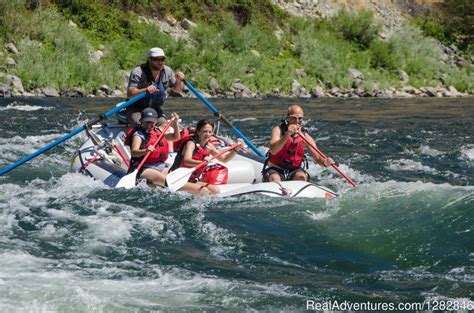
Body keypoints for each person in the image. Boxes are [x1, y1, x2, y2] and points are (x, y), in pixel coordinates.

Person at [262, 104, 335, 182]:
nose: (297, 121)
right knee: (275, 178)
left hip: (294, 170)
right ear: (287, 117)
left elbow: (317, 157)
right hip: (276, 169)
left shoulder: (305, 137)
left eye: (300, 118)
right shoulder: (278, 130)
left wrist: (325, 162)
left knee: (301, 177)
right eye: (294, 118)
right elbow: (273, 150)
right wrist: (287, 134)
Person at [170, 119, 244, 195]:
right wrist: (202, 162)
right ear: (198, 131)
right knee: (204, 190)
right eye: (205, 131)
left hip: (193, 180)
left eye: (210, 132)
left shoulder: (209, 146)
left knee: (215, 190)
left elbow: (224, 159)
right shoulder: (191, 143)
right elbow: (186, 160)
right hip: (178, 180)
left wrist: (236, 149)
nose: (207, 134)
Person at [126, 47, 185, 127]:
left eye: (162, 59)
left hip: (155, 109)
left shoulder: (168, 71)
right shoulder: (138, 72)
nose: (159, 62)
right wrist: (145, 90)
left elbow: (176, 90)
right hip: (136, 108)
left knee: (164, 127)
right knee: (142, 126)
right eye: (156, 59)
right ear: (149, 60)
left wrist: (179, 81)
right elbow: (130, 94)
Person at [128, 108, 180, 187]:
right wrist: (145, 150)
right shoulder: (139, 134)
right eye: (146, 122)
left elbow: (175, 137)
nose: (149, 124)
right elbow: (134, 152)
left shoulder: (158, 131)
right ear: (141, 121)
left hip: (160, 166)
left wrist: (175, 123)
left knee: (176, 176)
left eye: (151, 122)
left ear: (156, 121)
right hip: (144, 168)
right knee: (168, 182)